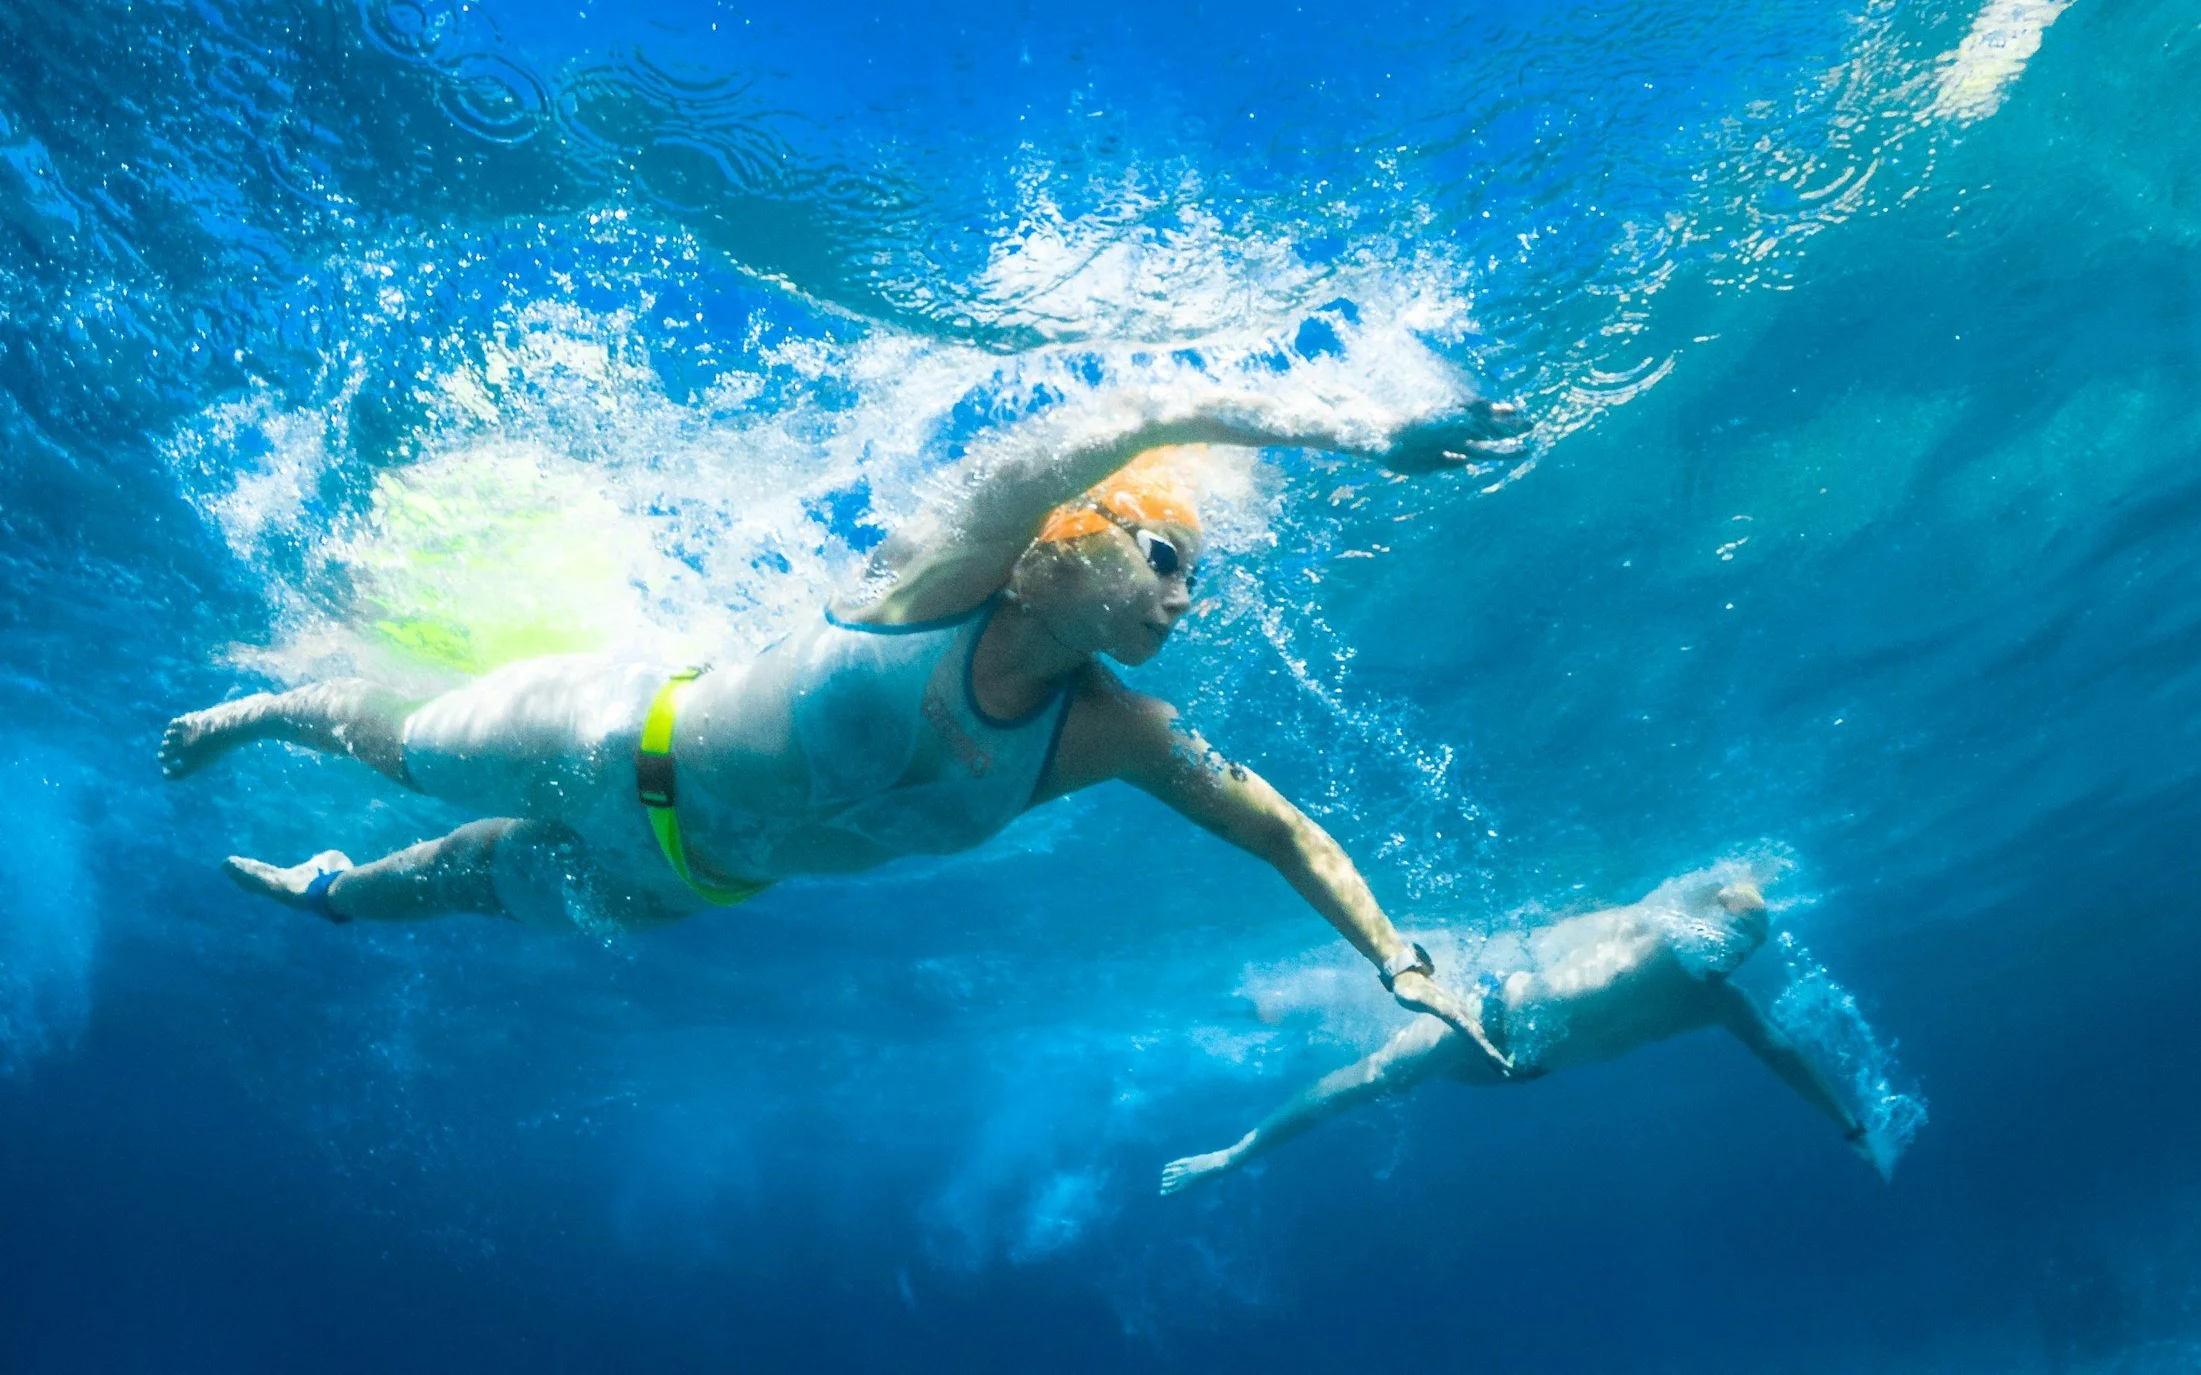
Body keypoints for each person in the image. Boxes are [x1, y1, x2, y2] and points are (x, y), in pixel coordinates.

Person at [160, 386, 1519, 1068]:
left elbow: (1276, 827)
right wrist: (1355, 432)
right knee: (408, 749)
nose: (1188, 593)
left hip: (679, 879)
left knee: (460, 884)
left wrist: (1400, 955)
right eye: (1169, 555)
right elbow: (1141, 414)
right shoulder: (944, 571)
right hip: (600, 731)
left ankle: (323, 891)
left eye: (1198, 579)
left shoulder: (1113, 730)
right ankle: (268, 707)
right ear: (1076, 534)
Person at [1159, 863, 1875, 1194]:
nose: (1736, 950)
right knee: (1373, 1075)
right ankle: (1234, 1143)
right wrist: (1744, 884)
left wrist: (1850, 1124)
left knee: (1372, 1069)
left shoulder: (1719, 1002)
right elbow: (1715, 882)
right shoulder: (1647, 923)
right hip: (1480, 1011)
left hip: (1512, 1070)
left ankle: (1272, 1027)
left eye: (1747, 945)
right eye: (1733, 932)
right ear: (1705, 914)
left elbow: (1782, 1055)